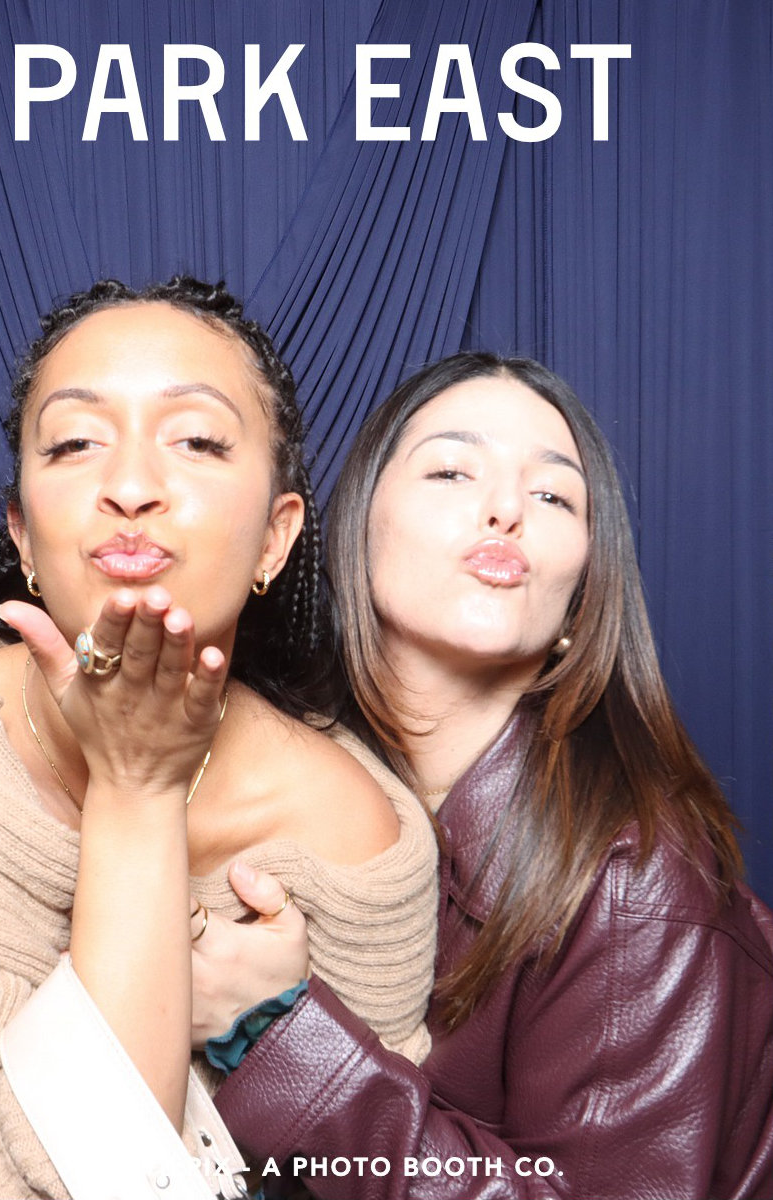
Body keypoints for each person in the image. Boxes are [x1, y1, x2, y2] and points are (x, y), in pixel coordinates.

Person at [0, 278, 438, 1200]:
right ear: (23, 535)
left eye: (197, 441)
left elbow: (382, 1175)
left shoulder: (349, 835)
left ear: (275, 538)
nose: (130, 488)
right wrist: (137, 789)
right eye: (75, 443)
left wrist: (276, 1028)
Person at [194, 352, 773, 1200]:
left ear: (582, 592)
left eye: (554, 496)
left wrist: (275, 1034)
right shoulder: (279, 767)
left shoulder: (636, 878)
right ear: (356, 527)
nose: (507, 509)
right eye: (452, 471)